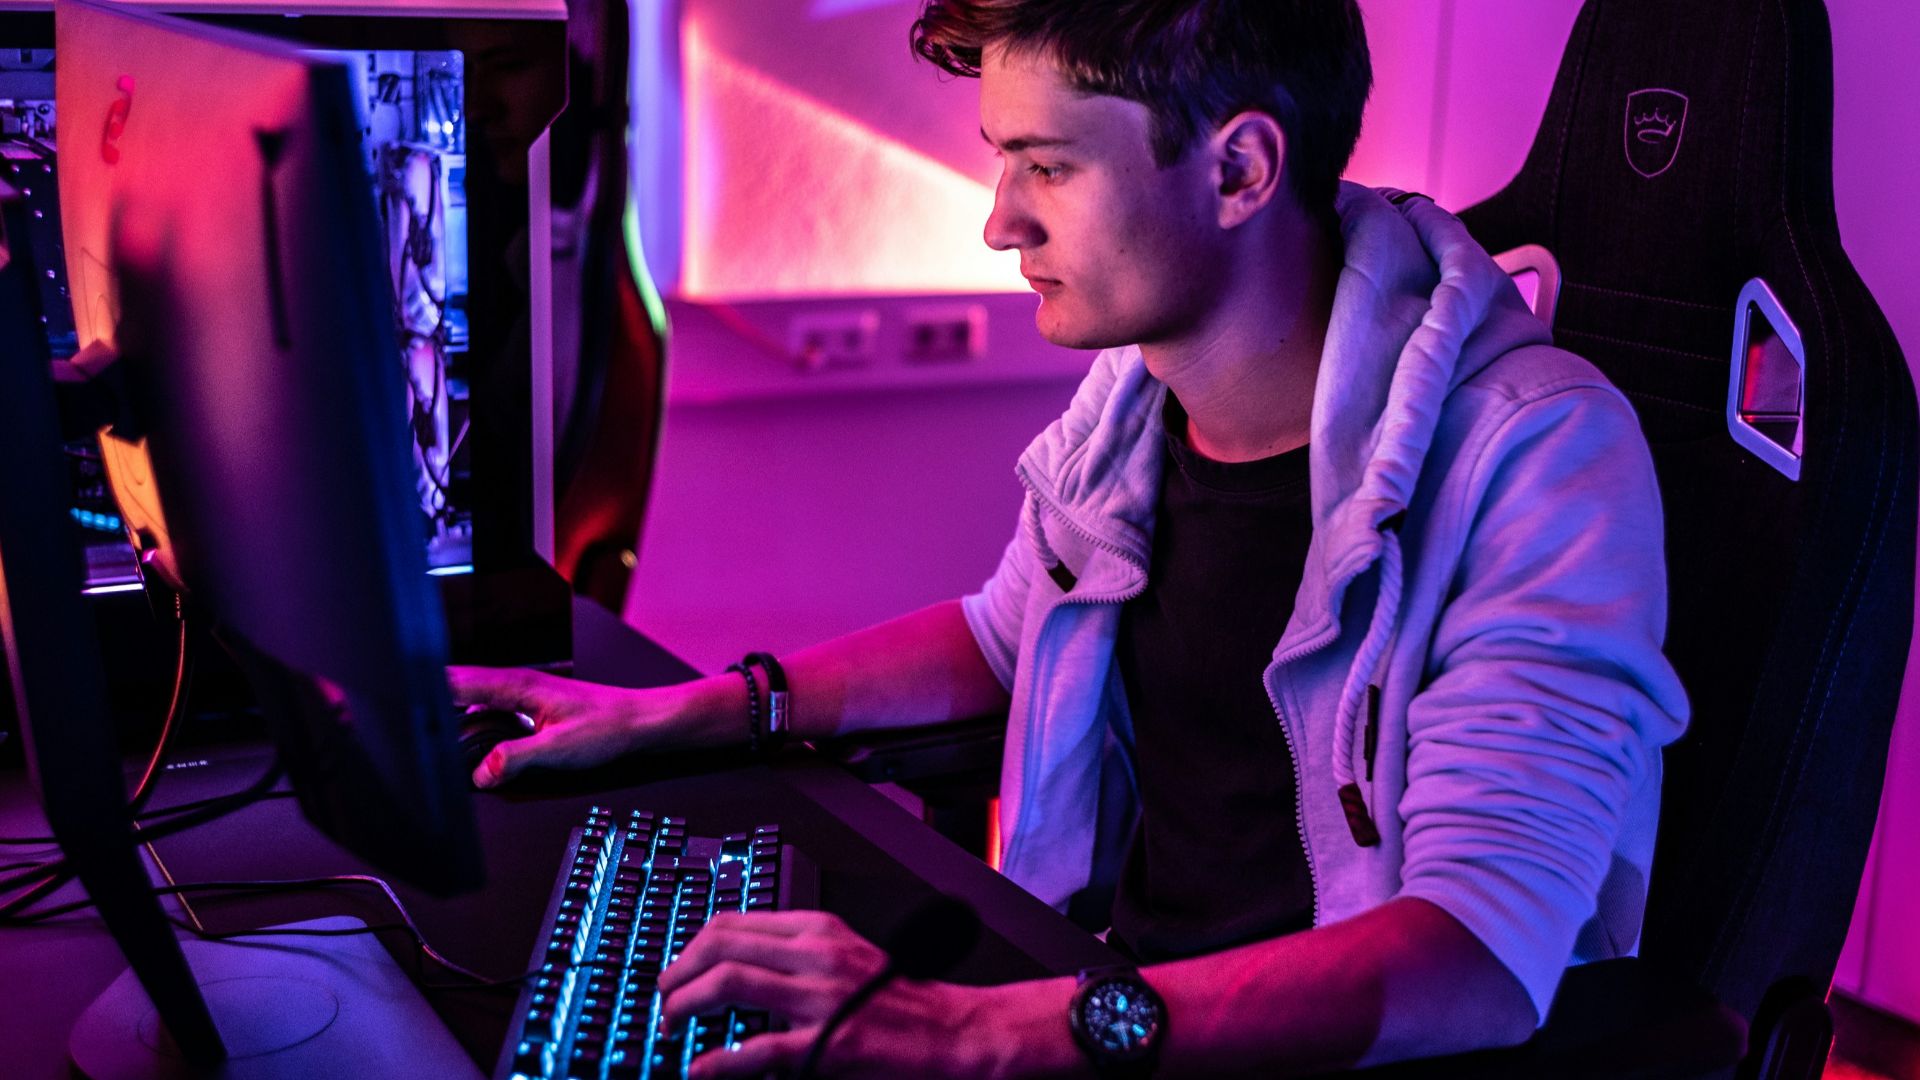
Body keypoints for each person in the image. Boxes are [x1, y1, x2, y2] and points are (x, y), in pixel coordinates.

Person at [451, 1, 1691, 1075]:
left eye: (1046, 167)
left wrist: (975, 1034)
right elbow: (1007, 638)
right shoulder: (1142, 394)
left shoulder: (1534, 459)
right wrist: (689, 711)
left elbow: (1475, 957)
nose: (1000, 222)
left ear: (1240, 170)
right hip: (1114, 1001)